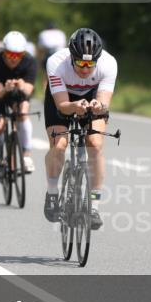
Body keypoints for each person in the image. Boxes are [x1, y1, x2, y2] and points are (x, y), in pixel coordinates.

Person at [43, 27, 117, 230]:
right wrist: (75, 107)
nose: (85, 68)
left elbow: (103, 102)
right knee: (59, 145)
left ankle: (94, 205)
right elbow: (62, 105)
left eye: (90, 63)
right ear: (71, 58)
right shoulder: (56, 63)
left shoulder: (109, 63)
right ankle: (51, 192)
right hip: (62, 100)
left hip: (91, 97)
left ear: (97, 59)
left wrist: (97, 106)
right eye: (81, 63)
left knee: (95, 143)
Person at [0, 31, 38, 182]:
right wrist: (6, 89)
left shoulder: (30, 61)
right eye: (10, 55)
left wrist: (21, 86)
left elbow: (28, 90)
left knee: (23, 113)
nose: (14, 59)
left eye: (18, 55)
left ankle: (26, 156)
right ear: (4, 52)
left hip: (18, 92)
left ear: (23, 53)